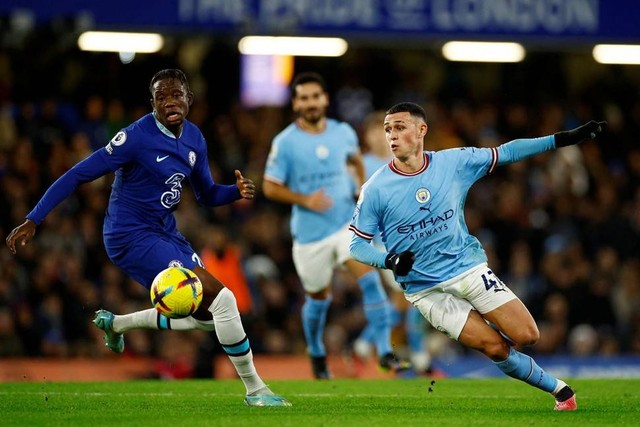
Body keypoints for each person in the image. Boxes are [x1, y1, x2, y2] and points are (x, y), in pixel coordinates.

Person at [5, 69, 290, 407]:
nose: (170, 102)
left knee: (206, 319)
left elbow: (207, 194)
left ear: (189, 99)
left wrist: (235, 192)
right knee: (223, 299)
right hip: (129, 237)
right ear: (152, 103)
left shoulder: (195, 138)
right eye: (161, 97)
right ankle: (256, 391)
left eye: (176, 95)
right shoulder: (135, 138)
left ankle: (117, 324)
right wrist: (33, 218)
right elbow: (79, 173)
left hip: (165, 232)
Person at [349, 101, 607, 410]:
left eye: (400, 127)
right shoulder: (375, 188)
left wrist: (562, 139)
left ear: (421, 130)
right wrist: (388, 260)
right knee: (495, 348)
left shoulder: (455, 162)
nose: (392, 135)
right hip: (425, 289)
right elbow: (357, 245)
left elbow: (508, 152)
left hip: (467, 269)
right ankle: (561, 392)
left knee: (527, 334)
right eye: (388, 129)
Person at [262, 72, 410, 379]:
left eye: (316, 96)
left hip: (345, 226)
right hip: (309, 236)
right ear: (295, 103)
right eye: (304, 97)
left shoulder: (342, 132)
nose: (311, 102)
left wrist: (358, 187)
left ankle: (383, 351)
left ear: (325, 99)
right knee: (318, 299)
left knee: (370, 280)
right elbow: (270, 186)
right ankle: (315, 349)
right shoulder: (285, 143)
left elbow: (355, 160)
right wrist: (305, 199)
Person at [353, 111, 431, 374]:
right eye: (375, 132)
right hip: (382, 243)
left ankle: (365, 342)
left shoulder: (402, 159)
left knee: (406, 299)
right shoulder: (360, 165)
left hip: (411, 238)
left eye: (385, 132)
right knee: (413, 295)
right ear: (366, 136)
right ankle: (418, 352)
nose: (382, 136)